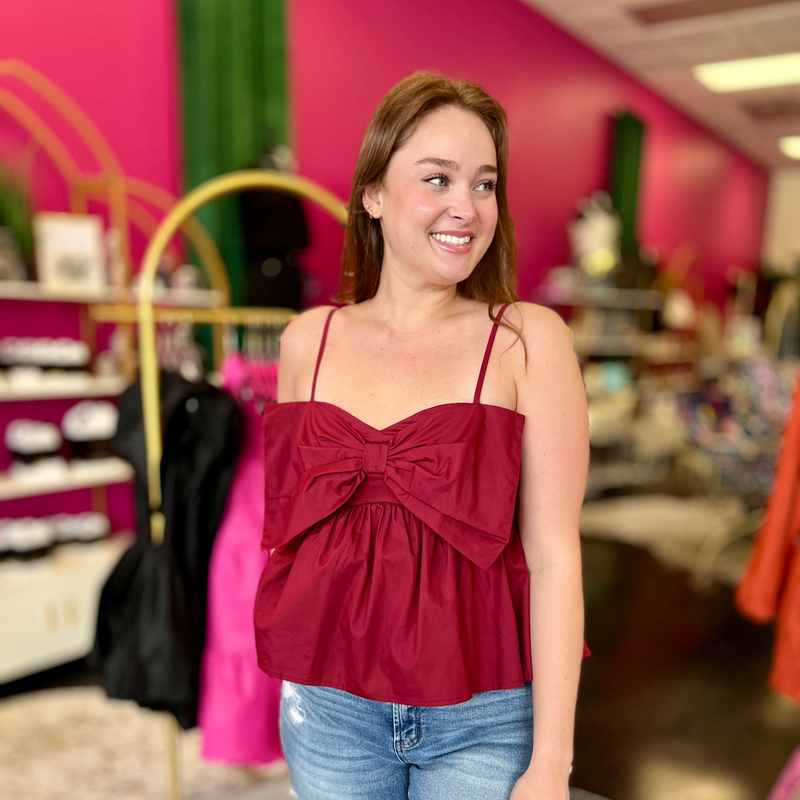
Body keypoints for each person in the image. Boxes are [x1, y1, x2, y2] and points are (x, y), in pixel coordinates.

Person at [253, 72, 589, 800]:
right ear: (373, 194)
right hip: (327, 707)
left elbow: (556, 558)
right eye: (438, 178)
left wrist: (552, 763)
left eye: (484, 184)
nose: (465, 208)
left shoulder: (528, 340)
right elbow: (294, 540)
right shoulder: (307, 341)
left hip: (483, 715)